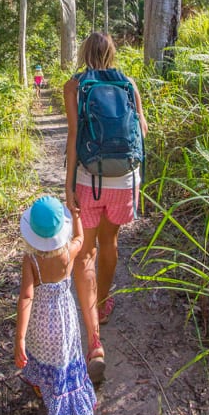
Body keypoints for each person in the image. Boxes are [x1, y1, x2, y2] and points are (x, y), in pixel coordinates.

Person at [64, 32, 148, 385]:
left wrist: (68, 184)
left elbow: (73, 136)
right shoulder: (128, 83)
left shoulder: (75, 85)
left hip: (89, 178)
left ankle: (94, 340)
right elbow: (142, 130)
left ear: (85, 53)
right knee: (110, 244)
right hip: (123, 179)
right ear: (112, 53)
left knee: (85, 252)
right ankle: (104, 302)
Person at [15, 195, 96, 415]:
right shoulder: (68, 254)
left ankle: (42, 385)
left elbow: (26, 297)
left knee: (43, 362)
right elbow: (80, 236)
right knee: (65, 378)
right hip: (64, 329)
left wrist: (20, 339)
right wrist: (75, 214)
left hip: (39, 328)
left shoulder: (31, 260)